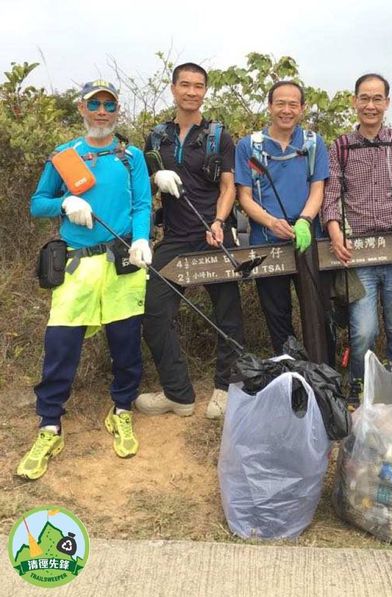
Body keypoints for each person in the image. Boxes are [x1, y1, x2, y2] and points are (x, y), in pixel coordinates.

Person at [17, 80, 152, 480]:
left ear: (117, 110)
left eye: (109, 105)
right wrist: (65, 201)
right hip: (76, 266)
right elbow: (38, 202)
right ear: (81, 107)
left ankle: (122, 410)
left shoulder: (131, 157)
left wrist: (142, 237)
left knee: (126, 341)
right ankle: (49, 426)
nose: (102, 111)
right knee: (61, 344)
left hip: (123, 263)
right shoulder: (64, 156)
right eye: (95, 103)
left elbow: (142, 202)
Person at [135, 62, 244, 420]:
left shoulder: (218, 136)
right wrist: (156, 178)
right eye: (185, 85)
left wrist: (218, 221)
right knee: (153, 314)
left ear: (205, 92)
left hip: (213, 236)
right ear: (173, 88)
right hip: (175, 238)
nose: (192, 92)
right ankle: (177, 392)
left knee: (228, 315)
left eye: (199, 86)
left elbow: (228, 186)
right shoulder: (155, 137)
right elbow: (141, 183)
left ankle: (225, 389)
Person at [321, 73, 392, 403]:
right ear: (354, 101)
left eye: (377, 98)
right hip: (359, 254)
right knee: (364, 331)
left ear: (387, 102)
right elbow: (331, 195)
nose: (370, 105)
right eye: (364, 98)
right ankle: (360, 391)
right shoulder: (340, 146)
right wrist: (334, 230)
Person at [235, 81, 329, 355]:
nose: (286, 110)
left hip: (308, 239)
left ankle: (324, 374)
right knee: (277, 316)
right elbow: (244, 196)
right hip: (266, 243)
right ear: (269, 106)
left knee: (318, 312)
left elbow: (318, 188)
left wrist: (304, 221)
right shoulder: (249, 146)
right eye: (280, 103)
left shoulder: (312, 143)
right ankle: (290, 374)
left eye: (293, 104)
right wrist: (270, 222)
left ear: (302, 108)